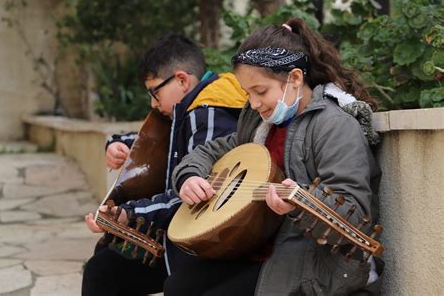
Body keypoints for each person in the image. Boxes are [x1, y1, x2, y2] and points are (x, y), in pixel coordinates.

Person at [166, 18, 384, 295]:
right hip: (262, 247)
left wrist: (300, 204)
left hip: (316, 264)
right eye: (248, 93)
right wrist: (189, 176)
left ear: (294, 78)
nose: (254, 104)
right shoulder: (260, 125)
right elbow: (210, 150)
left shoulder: (333, 125)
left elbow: (354, 217)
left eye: (260, 92)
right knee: (177, 286)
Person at [81, 34, 247, 296]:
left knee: (103, 270)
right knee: (104, 258)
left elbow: (193, 197)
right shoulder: (193, 105)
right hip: (180, 236)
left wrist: (130, 213)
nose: (153, 103)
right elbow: (163, 142)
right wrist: (116, 144)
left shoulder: (208, 114)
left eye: (155, 92)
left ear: (181, 80)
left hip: (199, 245)